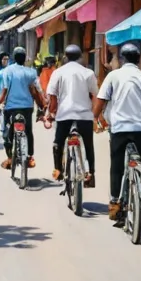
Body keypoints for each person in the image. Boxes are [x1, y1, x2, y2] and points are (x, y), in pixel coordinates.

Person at [95, 43, 141, 222]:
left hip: (120, 128)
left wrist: (94, 118)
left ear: (121, 59)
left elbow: (101, 100)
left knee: (116, 165)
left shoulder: (113, 76)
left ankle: (115, 202)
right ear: (139, 60)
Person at [46, 45, 98, 184]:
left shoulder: (58, 72)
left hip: (64, 115)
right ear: (80, 57)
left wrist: (51, 112)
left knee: (58, 143)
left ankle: (57, 169)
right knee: (88, 145)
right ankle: (90, 174)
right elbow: (95, 94)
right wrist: (95, 114)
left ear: (65, 57)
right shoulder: (88, 73)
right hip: (84, 116)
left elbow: (52, 96)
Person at [0, 48, 43, 170]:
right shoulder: (31, 72)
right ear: (24, 58)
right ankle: (30, 157)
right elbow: (34, 91)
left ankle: (10, 158)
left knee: (7, 132)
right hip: (27, 107)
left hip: (11, 108)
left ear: (14, 58)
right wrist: (41, 106)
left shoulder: (7, 71)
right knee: (28, 131)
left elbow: (5, 90)